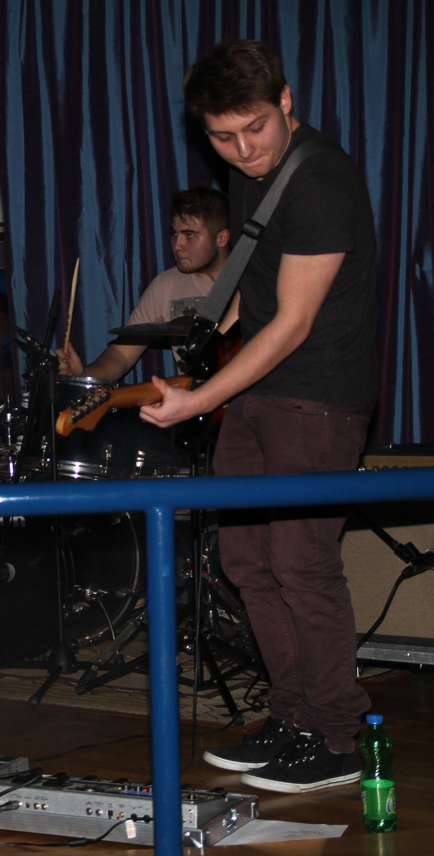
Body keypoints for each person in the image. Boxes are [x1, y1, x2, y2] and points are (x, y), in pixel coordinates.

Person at [140, 40, 378, 793]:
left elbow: (294, 323)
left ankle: (335, 736)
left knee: (303, 566)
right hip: (259, 393)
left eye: (255, 128)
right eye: (222, 137)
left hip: (318, 395)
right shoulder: (252, 177)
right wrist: (211, 330)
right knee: (247, 560)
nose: (242, 150)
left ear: (285, 102)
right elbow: (259, 280)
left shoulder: (320, 180)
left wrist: (200, 400)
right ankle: (294, 717)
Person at [57, 188, 232, 381]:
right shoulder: (166, 285)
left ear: (222, 238)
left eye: (189, 235)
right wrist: (83, 375)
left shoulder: (250, 282)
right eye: (174, 233)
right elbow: (121, 356)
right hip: (193, 397)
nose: (177, 245)